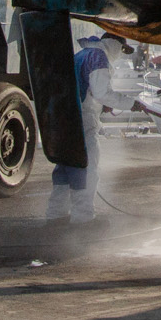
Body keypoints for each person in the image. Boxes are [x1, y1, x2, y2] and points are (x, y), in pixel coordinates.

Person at [46, 32, 112, 223]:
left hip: (66, 117)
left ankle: (55, 214)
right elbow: (101, 92)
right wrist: (130, 103)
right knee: (87, 168)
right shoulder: (98, 56)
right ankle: (82, 217)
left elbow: (85, 87)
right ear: (115, 44)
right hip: (84, 121)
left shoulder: (80, 55)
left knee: (64, 168)